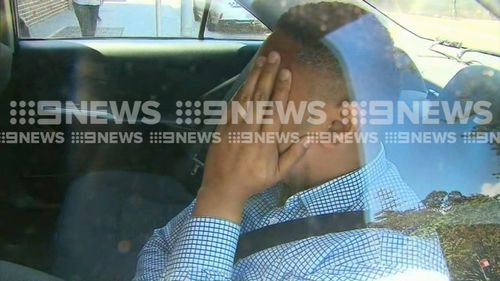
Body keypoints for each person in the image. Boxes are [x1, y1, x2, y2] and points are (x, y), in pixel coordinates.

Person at [133, 2, 450, 280]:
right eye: (250, 86)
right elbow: (160, 244)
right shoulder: (268, 173)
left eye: (265, 95)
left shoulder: (381, 264)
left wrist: (220, 196)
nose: (238, 109)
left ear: (338, 125)